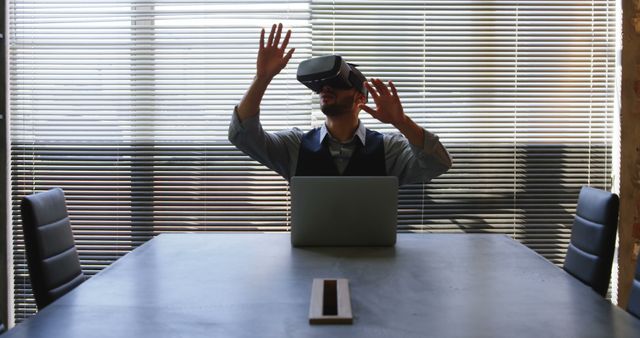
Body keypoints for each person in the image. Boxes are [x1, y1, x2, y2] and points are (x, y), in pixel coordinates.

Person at [229, 23, 452, 186]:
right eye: (321, 85)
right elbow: (243, 136)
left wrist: (401, 122)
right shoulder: (295, 145)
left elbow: (438, 163)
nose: (325, 88)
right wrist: (262, 78)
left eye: (336, 83)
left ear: (360, 99)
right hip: (310, 251)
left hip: (372, 250)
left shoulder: (389, 149)